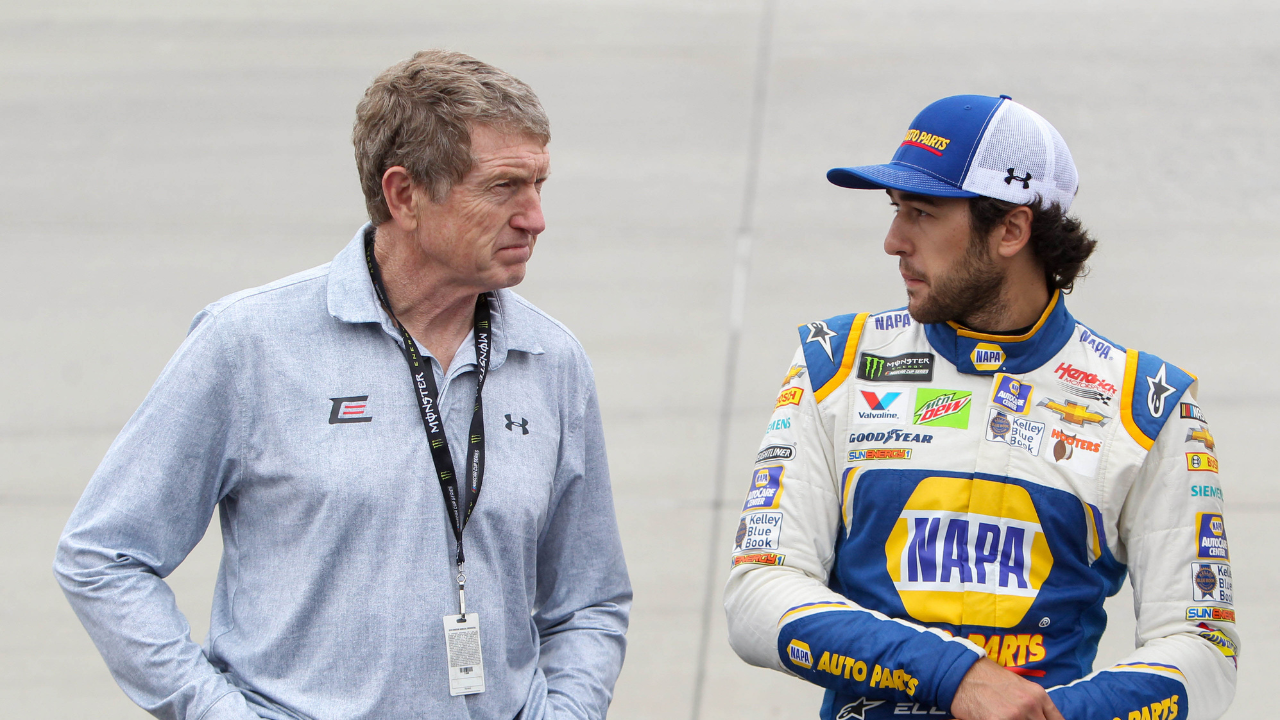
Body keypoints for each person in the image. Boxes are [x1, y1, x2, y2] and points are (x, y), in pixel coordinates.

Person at [55, 50, 631, 720]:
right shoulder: (250, 344)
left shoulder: (551, 361)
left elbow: (588, 602)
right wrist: (215, 712)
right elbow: (104, 557)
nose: (534, 218)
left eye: (539, 185)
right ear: (404, 195)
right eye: (504, 188)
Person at [724, 95, 1237, 720]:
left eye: (922, 212)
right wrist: (956, 676)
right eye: (895, 211)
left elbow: (1203, 650)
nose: (892, 241)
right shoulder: (836, 364)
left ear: (1012, 230)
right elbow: (756, 595)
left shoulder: (1148, 404)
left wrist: (1048, 715)